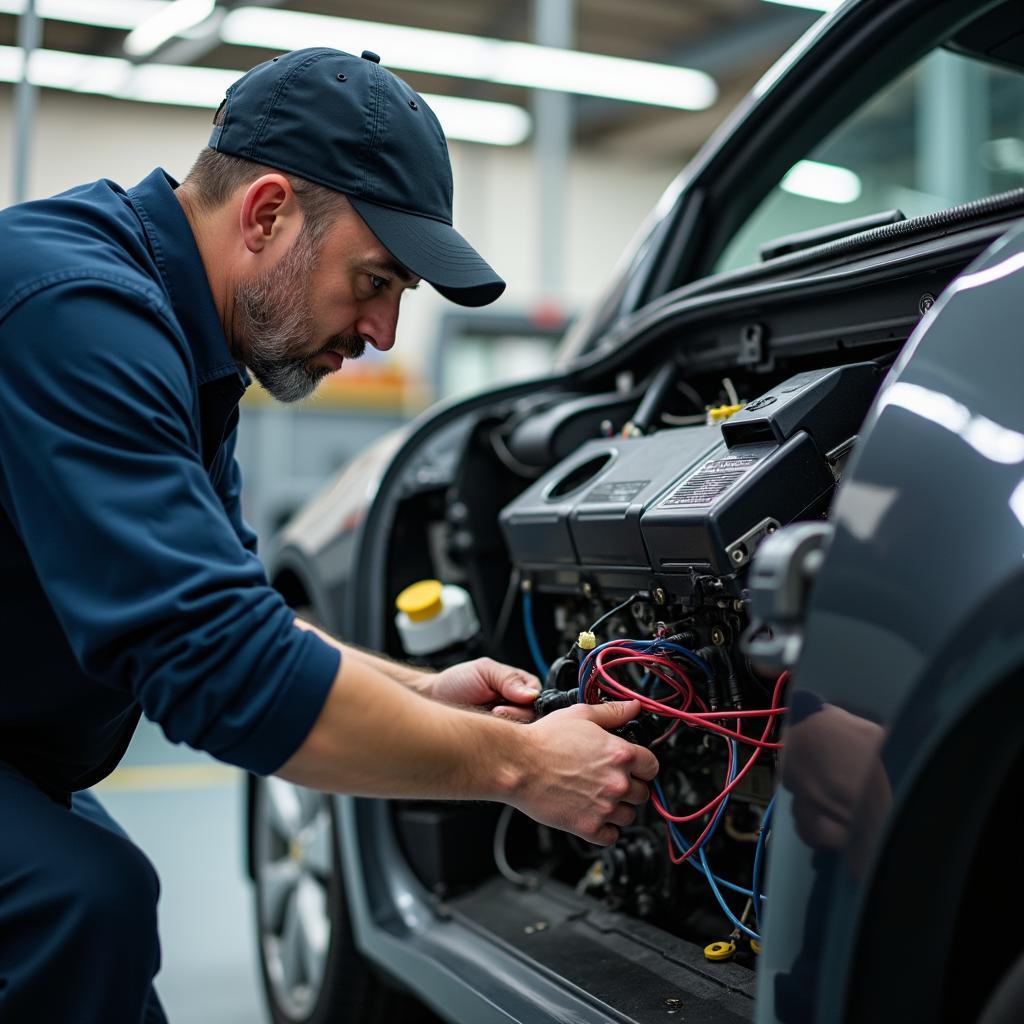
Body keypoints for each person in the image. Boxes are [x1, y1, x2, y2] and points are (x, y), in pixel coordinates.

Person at [0, 47, 658, 1023]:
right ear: (265, 213)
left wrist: (429, 697)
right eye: (374, 279)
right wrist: (518, 767)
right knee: (78, 904)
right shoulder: (75, 313)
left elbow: (236, 618)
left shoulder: (187, 350)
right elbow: (219, 670)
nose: (385, 332)